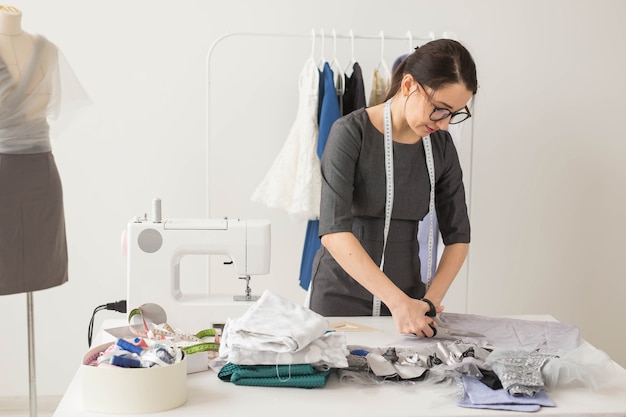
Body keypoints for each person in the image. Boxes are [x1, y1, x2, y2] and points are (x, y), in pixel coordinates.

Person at [308, 39, 478, 337]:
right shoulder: (349, 133)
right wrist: (398, 302)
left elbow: (458, 237)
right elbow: (334, 231)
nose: (445, 124)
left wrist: (428, 301)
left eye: (455, 113)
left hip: (409, 303)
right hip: (340, 301)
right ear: (409, 84)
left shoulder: (441, 146)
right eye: (440, 109)